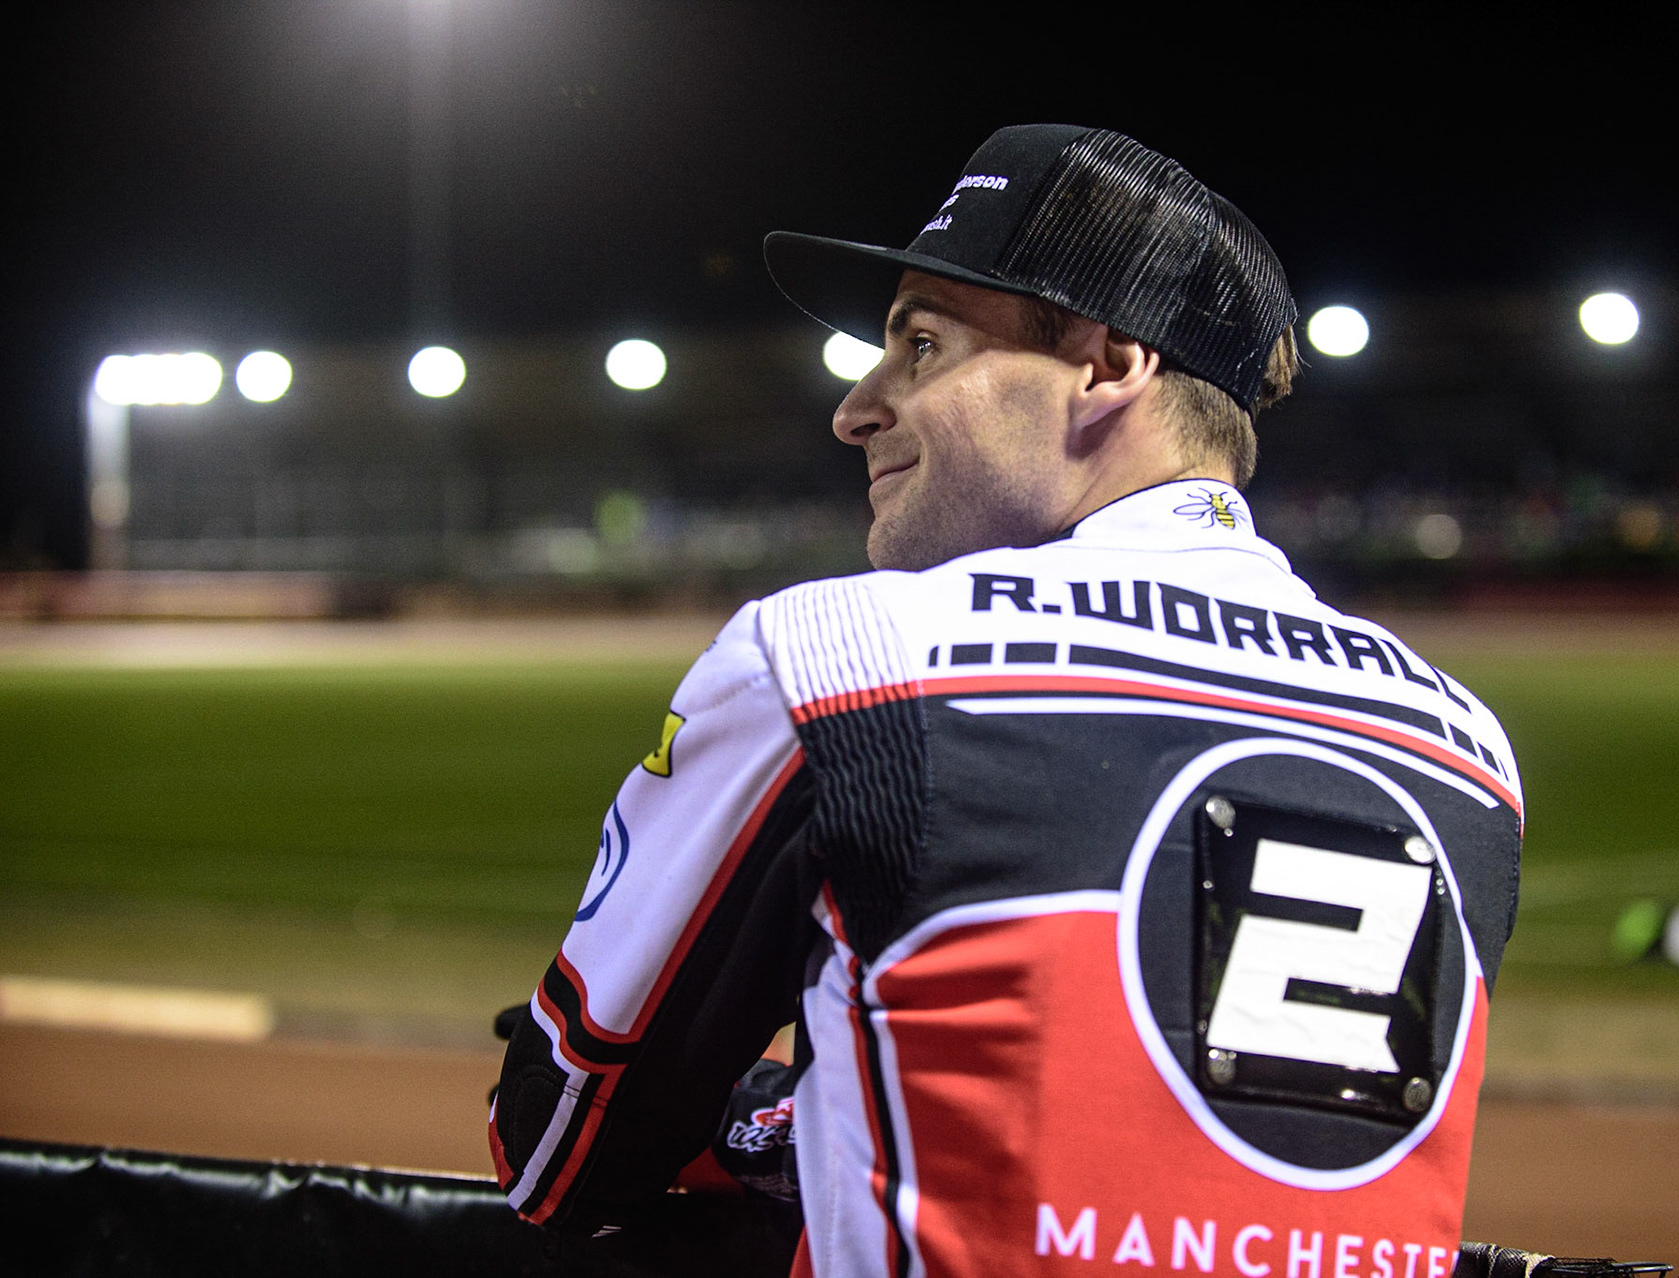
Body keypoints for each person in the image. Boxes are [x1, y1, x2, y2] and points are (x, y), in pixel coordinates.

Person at [491, 124, 1523, 1278]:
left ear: (1110, 365)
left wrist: (779, 1114)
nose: (856, 409)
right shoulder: (1466, 742)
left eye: (920, 345)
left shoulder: (837, 659)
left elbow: (558, 1154)